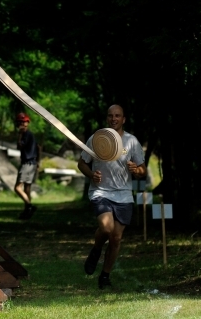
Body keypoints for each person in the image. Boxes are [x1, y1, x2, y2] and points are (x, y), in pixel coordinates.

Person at [77, 104, 146, 289]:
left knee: (116, 238)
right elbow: (82, 163)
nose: (113, 119)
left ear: (123, 119)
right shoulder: (97, 138)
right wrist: (92, 175)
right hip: (101, 192)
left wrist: (136, 169)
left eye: (117, 116)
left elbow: (142, 170)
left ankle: (105, 276)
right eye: (110, 116)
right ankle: (96, 249)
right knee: (106, 229)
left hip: (123, 195)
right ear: (107, 119)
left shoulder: (132, 141)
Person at [14, 112, 38, 219]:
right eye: (19, 122)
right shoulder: (30, 135)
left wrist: (19, 135)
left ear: (27, 123)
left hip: (27, 163)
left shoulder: (26, 134)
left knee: (17, 188)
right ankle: (27, 213)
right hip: (32, 163)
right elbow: (39, 148)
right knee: (27, 188)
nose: (21, 124)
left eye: (23, 122)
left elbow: (19, 146)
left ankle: (29, 206)